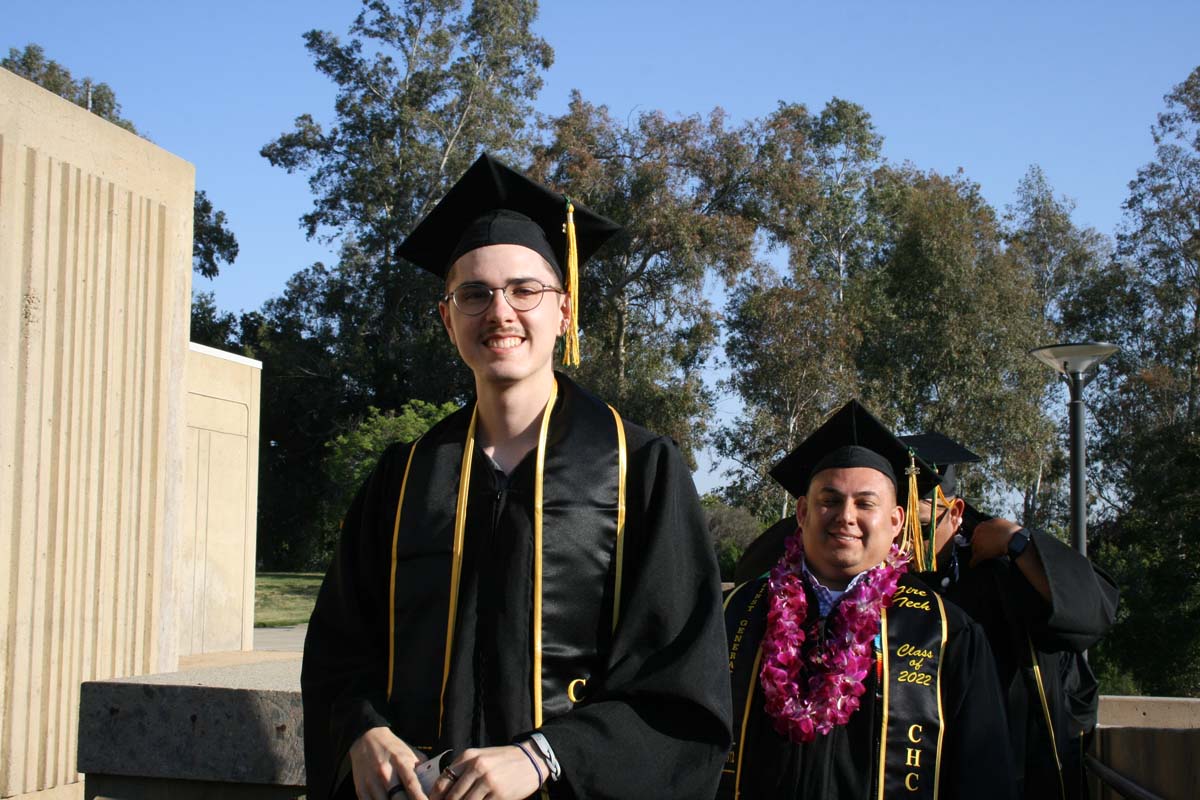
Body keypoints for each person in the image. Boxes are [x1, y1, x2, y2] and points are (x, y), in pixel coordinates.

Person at [302, 153, 733, 800]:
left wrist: (544, 757)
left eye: (525, 290)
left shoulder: (640, 472)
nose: (500, 313)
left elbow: (681, 690)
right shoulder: (400, 482)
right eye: (473, 293)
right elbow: (339, 654)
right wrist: (361, 729)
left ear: (564, 311)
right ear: (448, 319)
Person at [719, 401, 1016, 800]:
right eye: (829, 500)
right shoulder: (738, 613)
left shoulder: (944, 632)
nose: (845, 516)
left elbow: (983, 777)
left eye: (865, 503)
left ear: (895, 522)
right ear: (803, 512)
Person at [898, 432, 1119, 800]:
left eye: (919, 528)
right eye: (896, 522)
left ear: (955, 513)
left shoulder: (997, 572)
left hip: (996, 771)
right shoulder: (867, 580)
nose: (903, 542)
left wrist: (1019, 543)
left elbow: (1090, 616)